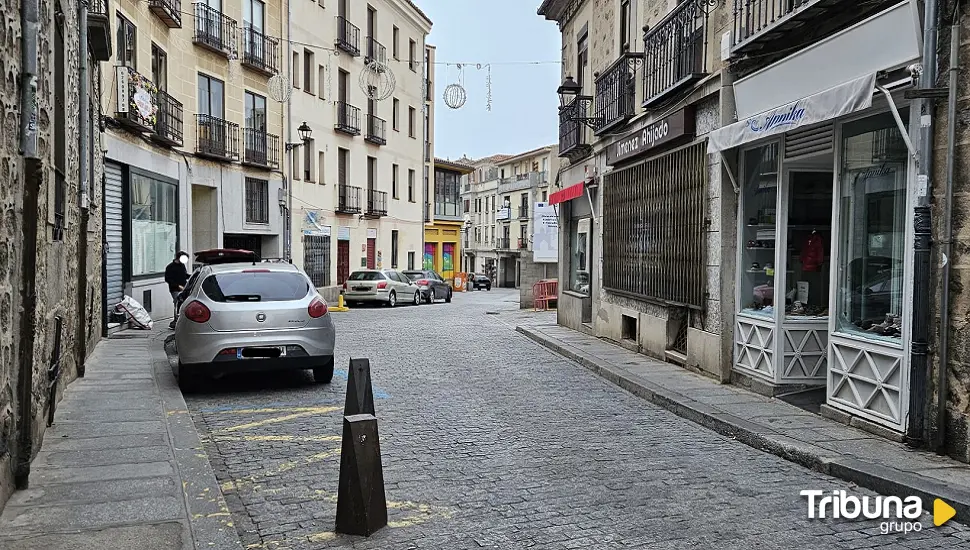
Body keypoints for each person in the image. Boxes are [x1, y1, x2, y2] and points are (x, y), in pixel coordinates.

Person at [165, 251, 190, 329]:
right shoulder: (170, 267)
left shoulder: (182, 266)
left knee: (184, 303)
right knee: (177, 302)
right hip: (174, 289)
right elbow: (168, 279)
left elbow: (184, 275)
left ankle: (183, 319)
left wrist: (191, 276)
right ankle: (176, 320)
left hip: (183, 287)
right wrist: (177, 286)